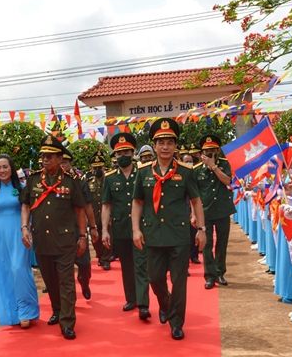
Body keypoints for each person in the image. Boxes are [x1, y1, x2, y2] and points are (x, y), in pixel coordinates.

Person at [132, 119, 206, 340]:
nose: (165, 147)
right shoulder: (144, 172)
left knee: (179, 280)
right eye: (161, 142)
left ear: (175, 145)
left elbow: (196, 201)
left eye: (169, 142)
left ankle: (176, 322)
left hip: (179, 235)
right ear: (154, 145)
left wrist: (201, 229)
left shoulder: (185, 171)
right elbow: (137, 203)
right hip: (153, 235)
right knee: (155, 278)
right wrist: (136, 229)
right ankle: (165, 304)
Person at [20, 135, 88, 340]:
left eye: (50, 156)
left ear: (60, 158)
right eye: (43, 156)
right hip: (42, 239)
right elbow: (25, 205)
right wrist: (24, 227)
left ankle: (67, 322)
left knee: (66, 281)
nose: (45, 160)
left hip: (65, 240)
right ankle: (57, 310)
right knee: (50, 280)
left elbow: (79, 210)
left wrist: (83, 236)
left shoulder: (71, 181)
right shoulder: (33, 179)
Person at [0, 154, 40, 328]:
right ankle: (11, 313)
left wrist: (28, 229)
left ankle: (26, 311)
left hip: (18, 234)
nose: (2, 170)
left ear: (11, 168)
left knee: (19, 269)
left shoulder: (21, 187)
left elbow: (28, 210)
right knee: (4, 272)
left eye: (5, 167)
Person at [101, 132, 152, 319]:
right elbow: (106, 205)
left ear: (133, 153)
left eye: (126, 152)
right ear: (114, 156)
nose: (123, 156)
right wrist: (105, 230)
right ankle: (131, 299)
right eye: (119, 153)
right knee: (127, 266)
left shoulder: (144, 172)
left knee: (141, 265)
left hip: (141, 228)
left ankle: (143, 304)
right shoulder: (109, 178)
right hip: (121, 228)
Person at [194, 134, 235, 289]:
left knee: (222, 243)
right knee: (207, 244)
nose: (210, 153)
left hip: (223, 210)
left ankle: (220, 273)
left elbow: (227, 181)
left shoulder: (224, 164)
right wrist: (193, 214)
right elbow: (194, 194)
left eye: (213, 150)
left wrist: (213, 166)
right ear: (202, 152)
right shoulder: (196, 170)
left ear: (218, 150)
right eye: (206, 151)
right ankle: (209, 276)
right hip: (205, 212)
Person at [61, 148, 98, 300]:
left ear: (70, 163)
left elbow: (88, 205)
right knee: (64, 268)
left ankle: (84, 282)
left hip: (78, 228)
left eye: (65, 162)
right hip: (61, 230)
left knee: (84, 265)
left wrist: (93, 227)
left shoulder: (79, 181)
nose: (63, 165)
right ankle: (69, 300)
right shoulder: (50, 180)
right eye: (61, 162)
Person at [84, 150, 113, 271]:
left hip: (107, 212)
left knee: (107, 235)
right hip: (94, 212)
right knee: (95, 238)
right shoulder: (88, 181)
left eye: (99, 167)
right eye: (95, 167)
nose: (97, 169)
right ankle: (100, 256)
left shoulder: (109, 179)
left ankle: (106, 259)